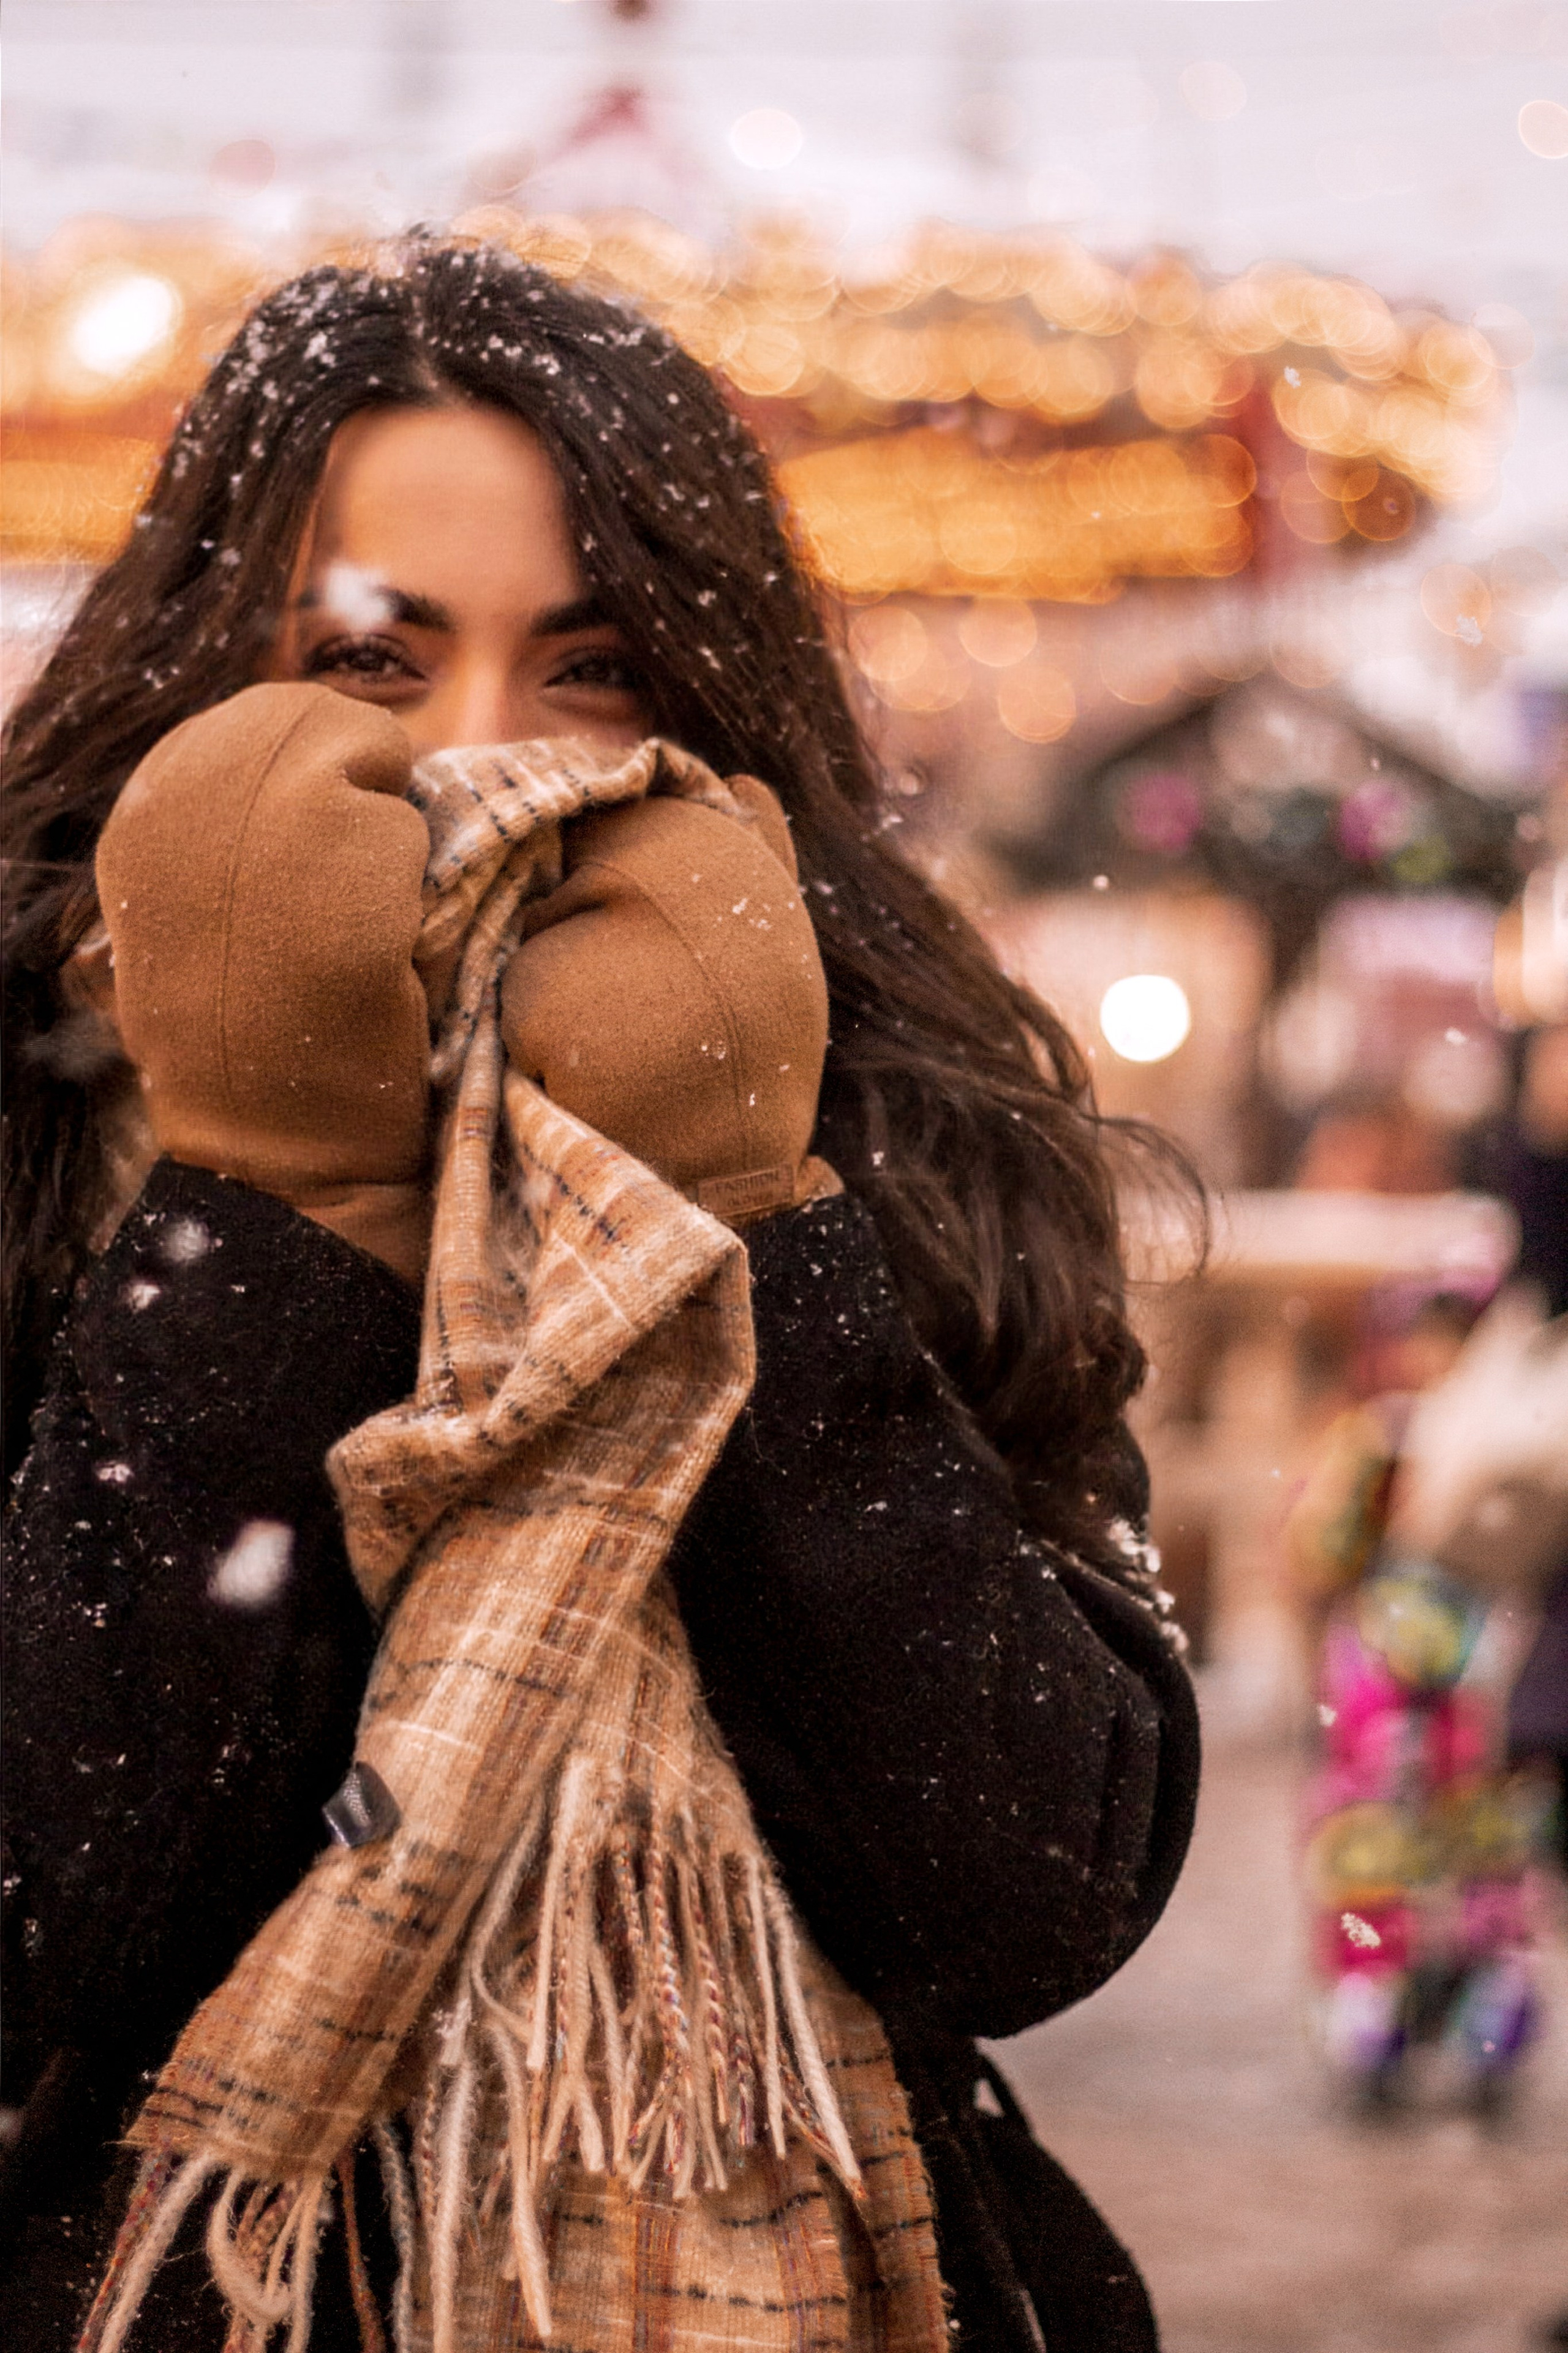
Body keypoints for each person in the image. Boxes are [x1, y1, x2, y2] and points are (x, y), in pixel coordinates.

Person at [1, 240, 1200, 2352]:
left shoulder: (903, 1107)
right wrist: (272, 1209)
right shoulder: (26, 1108)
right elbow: (39, 1907)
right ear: (205, 674)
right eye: (375, 663)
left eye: (594, 670)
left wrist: (745, 1212)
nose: (484, 756)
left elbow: (1030, 1883)